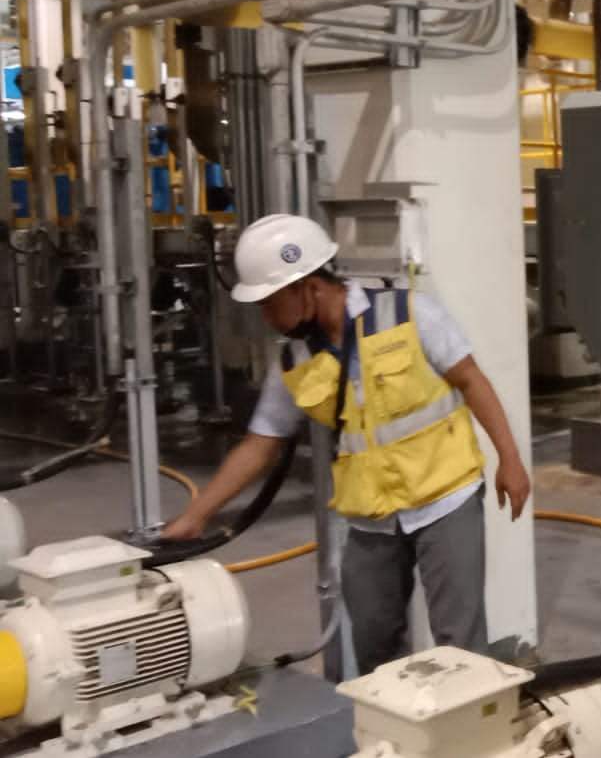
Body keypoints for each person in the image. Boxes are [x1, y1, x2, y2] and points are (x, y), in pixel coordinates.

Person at [164, 214, 532, 672]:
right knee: (375, 643)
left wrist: (510, 460)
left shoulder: (409, 314)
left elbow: (472, 380)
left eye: (270, 302)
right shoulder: (294, 360)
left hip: (446, 498)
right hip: (371, 517)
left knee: (460, 643)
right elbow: (260, 445)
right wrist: (196, 516)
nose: (266, 316)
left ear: (308, 288)